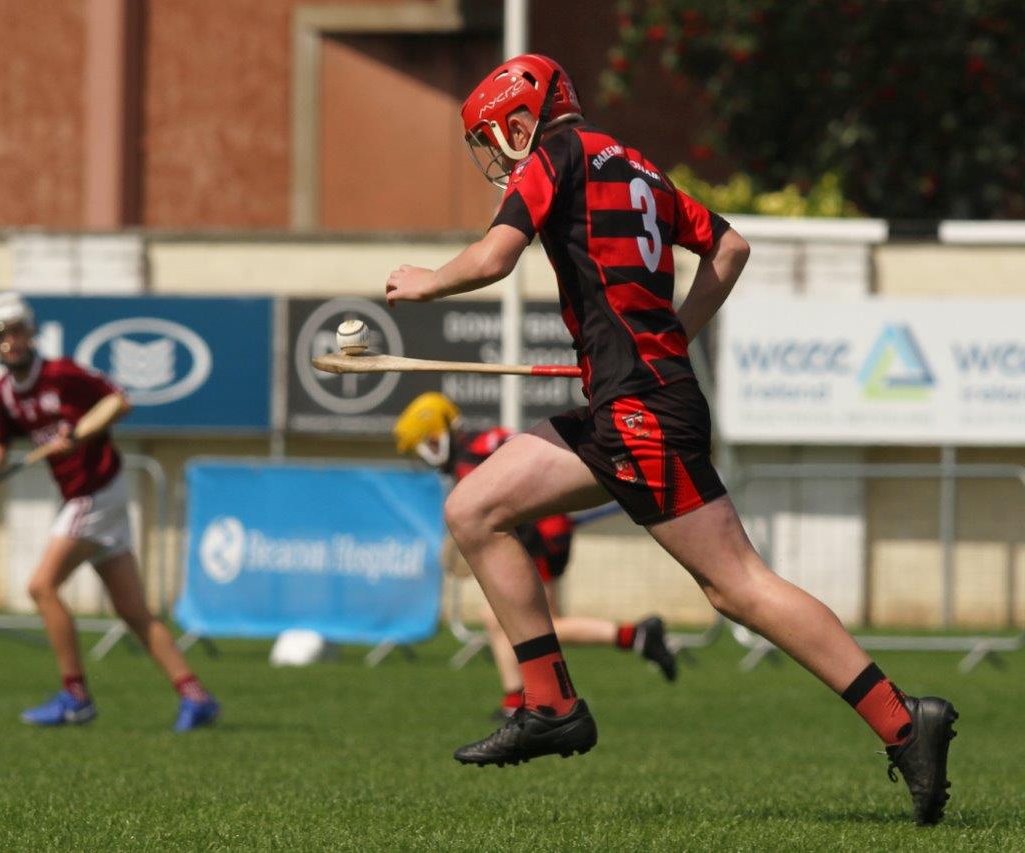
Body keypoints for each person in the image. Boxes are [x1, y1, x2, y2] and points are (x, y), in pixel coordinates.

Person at [383, 54, 956, 825]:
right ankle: (550, 704)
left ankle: (901, 719)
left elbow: (494, 257)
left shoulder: (556, 156)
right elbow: (729, 247)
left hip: (641, 411)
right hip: (634, 400)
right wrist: (674, 335)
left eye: (494, 139)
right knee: (476, 507)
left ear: (521, 123)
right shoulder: (639, 166)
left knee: (738, 585)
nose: (497, 156)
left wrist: (427, 281)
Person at [0, 292, 219, 732]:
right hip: (90, 499)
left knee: (41, 587)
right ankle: (194, 695)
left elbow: (119, 400)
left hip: (95, 492)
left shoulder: (63, 374)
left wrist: (78, 436)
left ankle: (75, 695)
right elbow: (1, 439)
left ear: (31, 331)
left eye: (16, 331)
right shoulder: (2, 392)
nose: (10, 343)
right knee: (134, 613)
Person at [393, 392, 677, 720]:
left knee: (540, 624)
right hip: (545, 529)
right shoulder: (481, 443)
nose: (423, 457)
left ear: (434, 438)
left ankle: (635, 636)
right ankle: (516, 700)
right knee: (498, 617)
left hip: (539, 534)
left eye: (420, 448)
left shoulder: (468, 459)